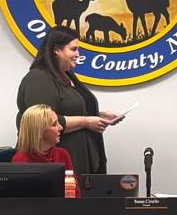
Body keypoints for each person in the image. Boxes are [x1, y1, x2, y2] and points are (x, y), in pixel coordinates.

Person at [16, 25, 122, 176]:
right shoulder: (38, 78)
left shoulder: (68, 75)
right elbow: (43, 120)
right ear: (56, 50)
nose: (78, 54)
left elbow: (69, 108)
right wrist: (86, 121)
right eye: (73, 49)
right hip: (58, 163)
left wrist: (99, 115)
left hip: (87, 159)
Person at [12, 104, 80, 197]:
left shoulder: (62, 154)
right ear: (39, 131)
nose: (60, 128)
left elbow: (72, 192)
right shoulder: (20, 160)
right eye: (54, 124)